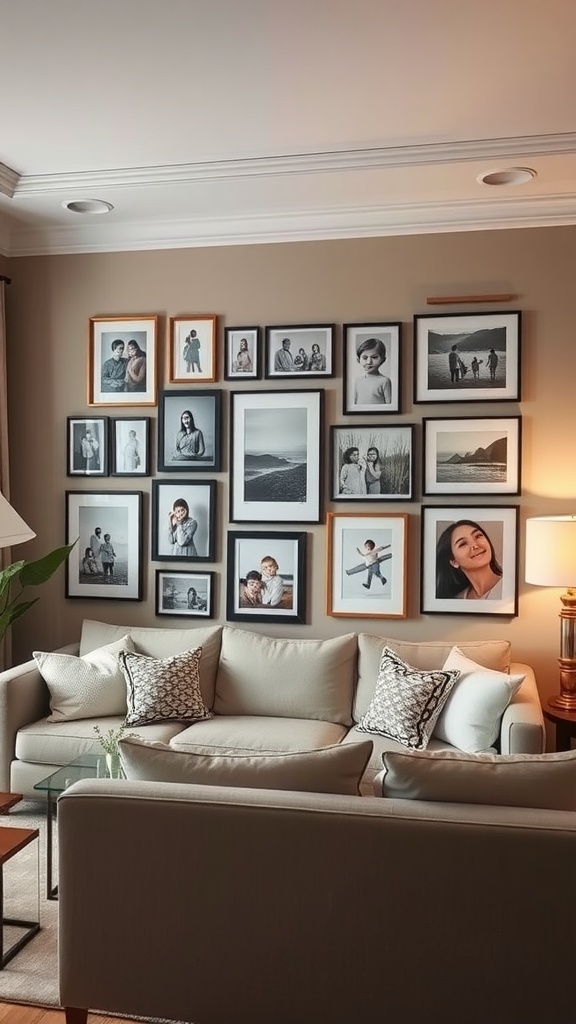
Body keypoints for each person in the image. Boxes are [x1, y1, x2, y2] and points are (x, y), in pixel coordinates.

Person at [436, 519, 503, 600]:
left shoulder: (509, 587)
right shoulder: (456, 601)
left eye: (478, 536)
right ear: (454, 562)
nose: (475, 545)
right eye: (463, 544)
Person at [354, 337, 391, 404]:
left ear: (383, 360)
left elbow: (389, 405)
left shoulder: (384, 381)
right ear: (358, 360)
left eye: (374, 357)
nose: (369, 362)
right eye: (365, 358)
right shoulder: (358, 381)